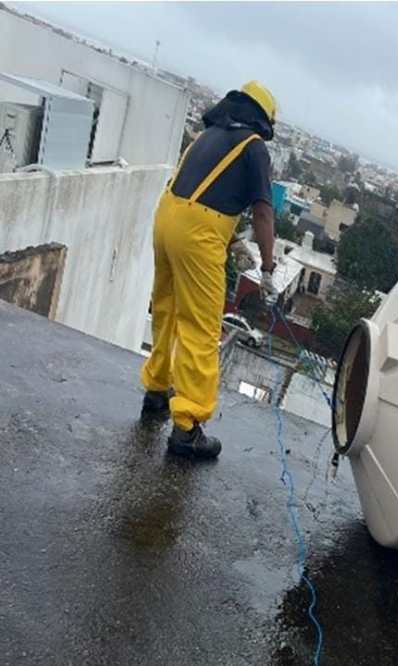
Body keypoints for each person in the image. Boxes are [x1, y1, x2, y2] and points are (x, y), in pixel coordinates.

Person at [139, 81, 279, 459]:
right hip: (198, 235)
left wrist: (233, 243)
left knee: (166, 310)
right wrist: (268, 267)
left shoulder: (208, 135)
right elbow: (263, 212)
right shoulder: (254, 147)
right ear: (263, 119)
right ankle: (187, 429)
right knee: (200, 328)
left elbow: (201, 194)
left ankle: (156, 391)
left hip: (166, 218)